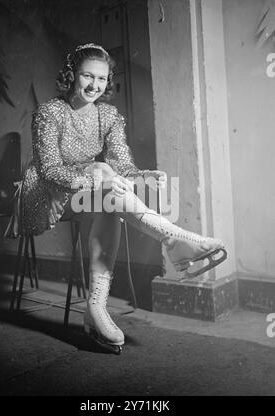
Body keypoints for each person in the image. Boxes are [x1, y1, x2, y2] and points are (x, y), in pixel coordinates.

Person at [13, 43, 227, 354]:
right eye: (88, 76)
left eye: (101, 79)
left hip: (87, 194)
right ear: (72, 75)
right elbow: (49, 170)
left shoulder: (108, 114)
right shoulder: (50, 112)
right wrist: (93, 175)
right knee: (105, 187)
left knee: (110, 201)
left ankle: (97, 308)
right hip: (44, 194)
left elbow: (121, 160)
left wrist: (141, 176)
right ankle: (175, 240)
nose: (94, 85)